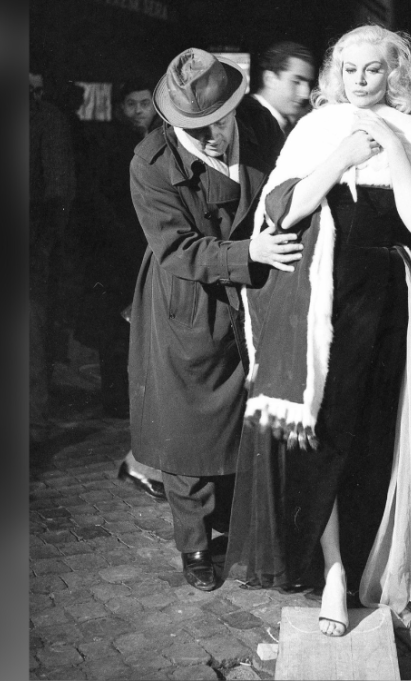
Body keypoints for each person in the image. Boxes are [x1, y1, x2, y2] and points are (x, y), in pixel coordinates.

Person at [226, 24, 411, 639]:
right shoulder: (316, 127)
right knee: (324, 437)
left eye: (372, 70)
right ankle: (331, 572)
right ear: (335, 74)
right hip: (321, 299)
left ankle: (374, 563)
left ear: (394, 74)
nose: (358, 80)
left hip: (386, 302)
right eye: (348, 69)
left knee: (379, 434)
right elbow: (283, 209)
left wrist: (392, 147)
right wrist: (342, 157)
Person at [128, 48, 303, 591]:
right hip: (189, 305)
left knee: (244, 420)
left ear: (234, 108)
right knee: (188, 434)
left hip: (253, 294)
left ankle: (236, 523)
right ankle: (196, 545)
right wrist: (250, 252)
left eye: (217, 121)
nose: (209, 135)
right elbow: (176, 249)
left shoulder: (257, 130)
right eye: (192, 126)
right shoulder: (149, 164)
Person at [75, 76, 166, 499]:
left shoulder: (165, 137)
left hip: (149, 243)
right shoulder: (111, 145)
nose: (136, 111)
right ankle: (120, 400)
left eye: (142, 102)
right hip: (121, 247)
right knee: (119, 326)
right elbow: (98, 198)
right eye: (129, 104)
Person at [29, 70, 76, 444]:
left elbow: (60, 191)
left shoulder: (47, 120)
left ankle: (32, 423)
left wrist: (42, 244)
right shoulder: (45, 119)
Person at [248, 40, 317, 136]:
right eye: (296, 82)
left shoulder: (282, 123)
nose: (305, 94)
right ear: (270, 79)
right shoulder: (247, 124)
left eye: (308, 84)